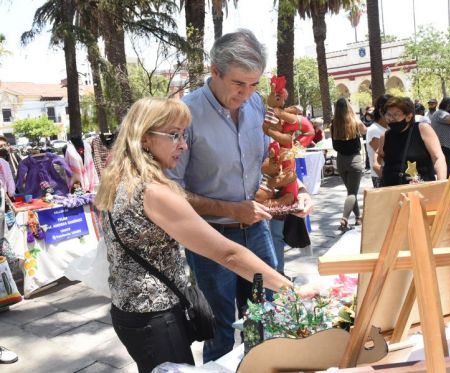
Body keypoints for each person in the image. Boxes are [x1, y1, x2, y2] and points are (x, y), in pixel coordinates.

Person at [95, 97, 293, 373]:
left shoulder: (122, 180)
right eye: (174, 135)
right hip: (156, 318)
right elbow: (228, 253)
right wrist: (289, 289)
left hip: (131, 312)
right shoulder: (155, 191)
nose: (184, 145)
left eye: (184, 135)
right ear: (145, 138)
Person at [167, 30, 313, 362]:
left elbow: (272, 160)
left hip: (257, 230)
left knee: (266, 321)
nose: (246, 94)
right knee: (220, 330)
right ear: (214, 71)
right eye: (238, 84)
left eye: (254, 85)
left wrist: (297, 192)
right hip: (209, 238)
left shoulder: (257, 105)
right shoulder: (184, 115)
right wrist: (231, 209)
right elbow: (169, 190)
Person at [374, 97, 446, 187]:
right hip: (391, 191)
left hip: (420, 190)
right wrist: (376, 166)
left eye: (396, 115)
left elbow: (438, 157)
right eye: (388, 115)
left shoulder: (422, 129)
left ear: (408, 116)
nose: (391, 119)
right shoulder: (385, 136)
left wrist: (441, 184)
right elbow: (379, 154)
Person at [331, 97, 367, 231]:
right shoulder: (355, 122)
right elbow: (365, 131)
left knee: (350, 191)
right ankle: (345, 218)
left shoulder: (334, 123)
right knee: (352, 192)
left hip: (340, 160)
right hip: (354, 160)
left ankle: (358, 217)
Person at [366, 94, 392, 188]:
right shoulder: (374, 130)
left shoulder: (390, 127)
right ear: (381, 111)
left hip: (392, 173)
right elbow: (382, 153)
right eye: (391, 111)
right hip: (380, 175)